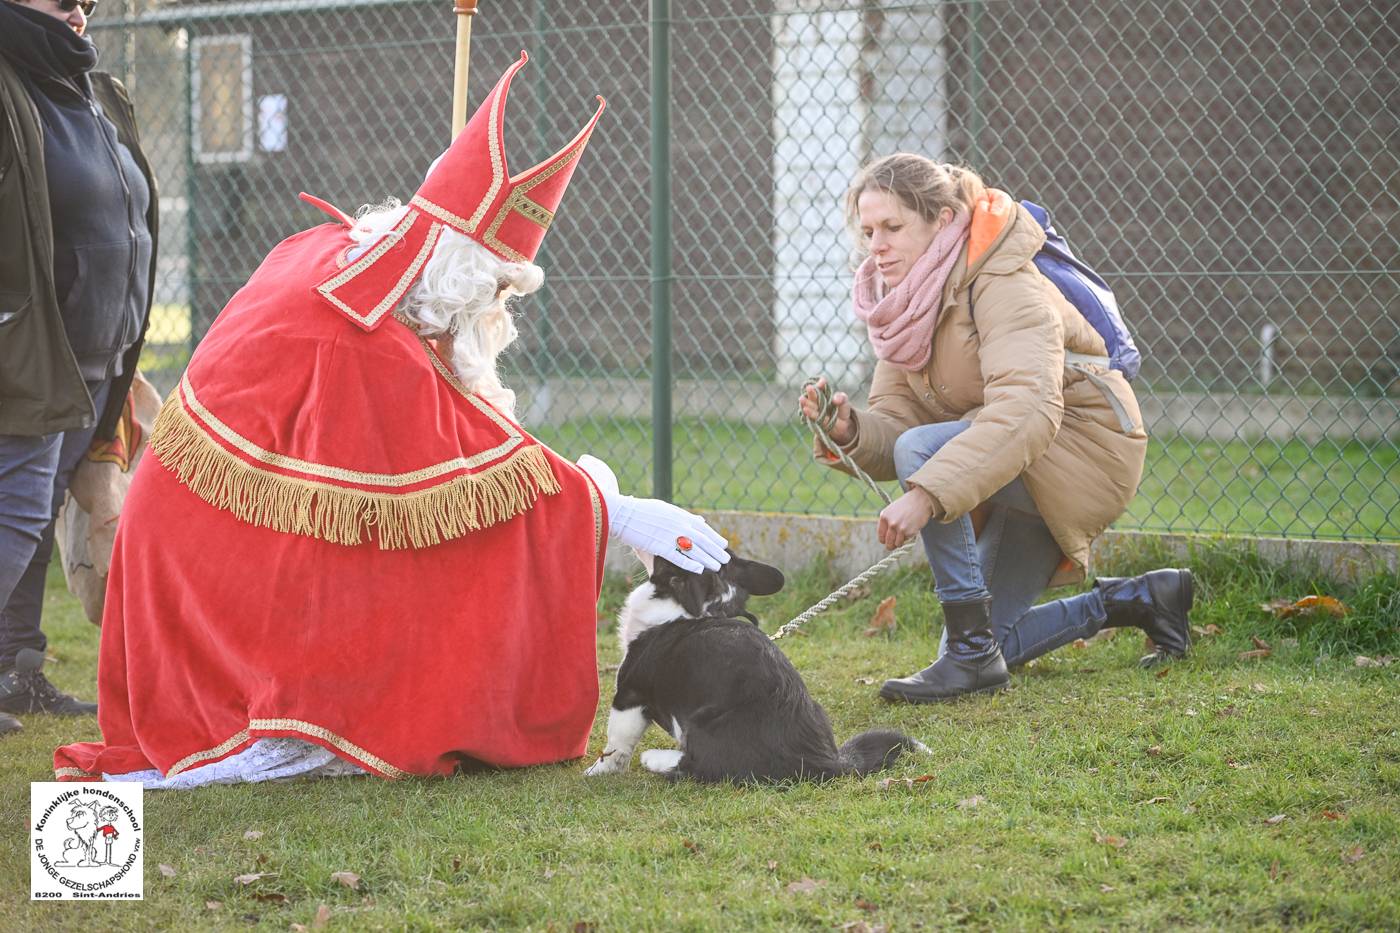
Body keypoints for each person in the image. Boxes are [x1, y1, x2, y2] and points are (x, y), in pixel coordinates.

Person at [54, 52, 728, 785]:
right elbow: (472, 474)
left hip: (202, 547)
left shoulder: (343, 261)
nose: (498, 310)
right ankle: (306, 710)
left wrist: (596, 501)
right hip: (207, 576)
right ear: (454, 270)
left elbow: (465, 449)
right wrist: (613, 509)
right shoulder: (362, 337)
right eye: (495, 285)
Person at [799, 153, 1193, 703]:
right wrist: (849, 431)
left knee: (924, 458)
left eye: (892, 227)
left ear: (940, 220)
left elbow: (1029, 410)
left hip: (1080, 448)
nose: (877, 245)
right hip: (1010, 461)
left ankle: (969, 655)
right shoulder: (906, 302)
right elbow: (898, 428)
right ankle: (1143, 599)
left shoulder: (1002, 277)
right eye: (868, 231)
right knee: (994, 643)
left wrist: (929, 494)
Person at [0, 0, 159, 737]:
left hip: (100, 354)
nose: (79, 8)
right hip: (28, 355)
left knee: (37, 519)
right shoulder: (10, 83)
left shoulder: (97, 91)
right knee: (15, 518)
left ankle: (15, 671)